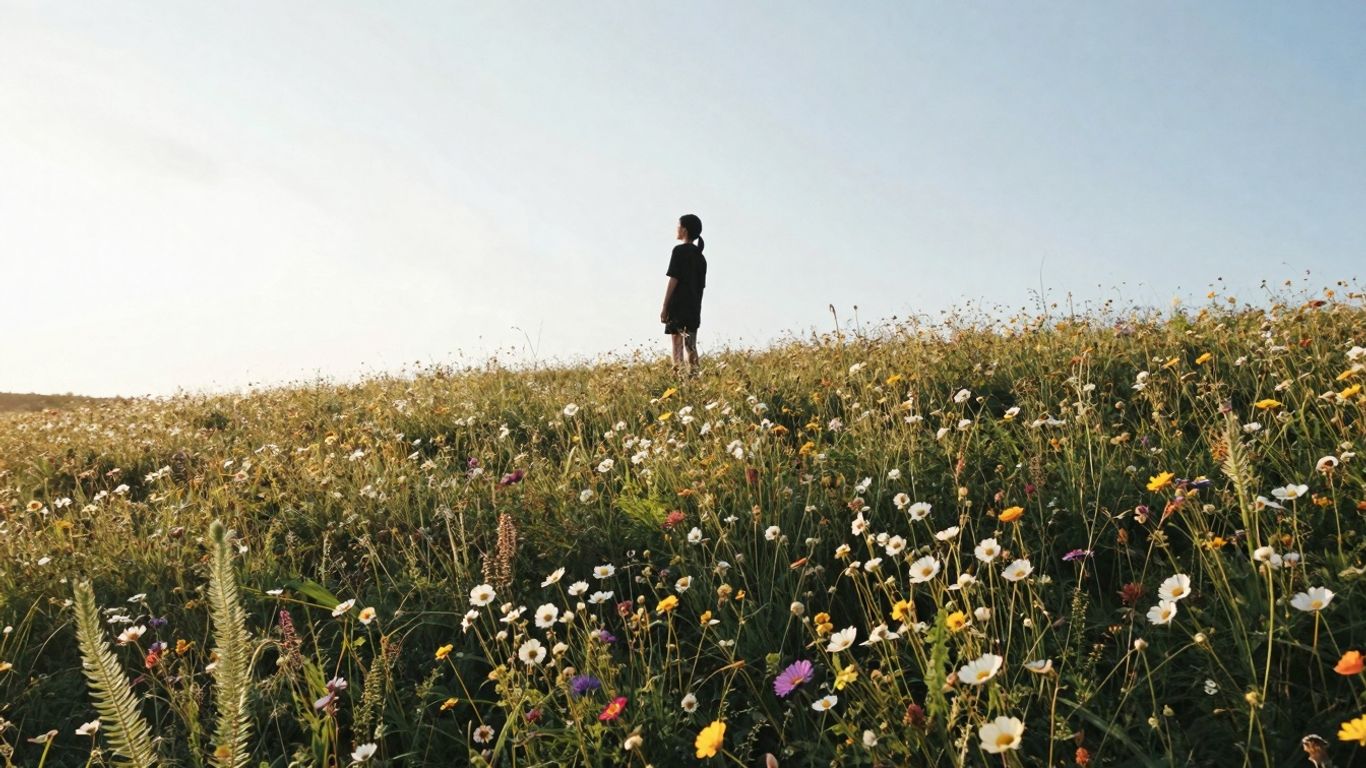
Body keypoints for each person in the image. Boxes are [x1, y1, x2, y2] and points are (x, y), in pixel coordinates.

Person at [660, 214, 707, 376]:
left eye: (678, 226)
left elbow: (674, 279)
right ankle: (695, 378)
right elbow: (701, 287)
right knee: (690, 345)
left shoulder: (679, 251)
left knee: (677, 345)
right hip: (694, 307)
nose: (676, 229)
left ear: (684, 230)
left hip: (678, 305)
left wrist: (665, 307)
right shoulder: (701, 258)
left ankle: (678, 379)